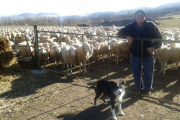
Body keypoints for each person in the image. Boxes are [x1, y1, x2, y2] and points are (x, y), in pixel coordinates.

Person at [118, 10, 162, 95]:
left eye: (142, 15)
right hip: (135, 54)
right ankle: (138, 88)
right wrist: (127, 36)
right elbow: (120, 32)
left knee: (148, 73)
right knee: (136, 73)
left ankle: (147, 89)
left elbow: (159, 38)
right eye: (138, 15)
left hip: (148, 54)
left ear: (144, 16)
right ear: (135, 16)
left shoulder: (151, 26)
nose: (140, 16)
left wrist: (153, 47)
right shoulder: (131, 26)